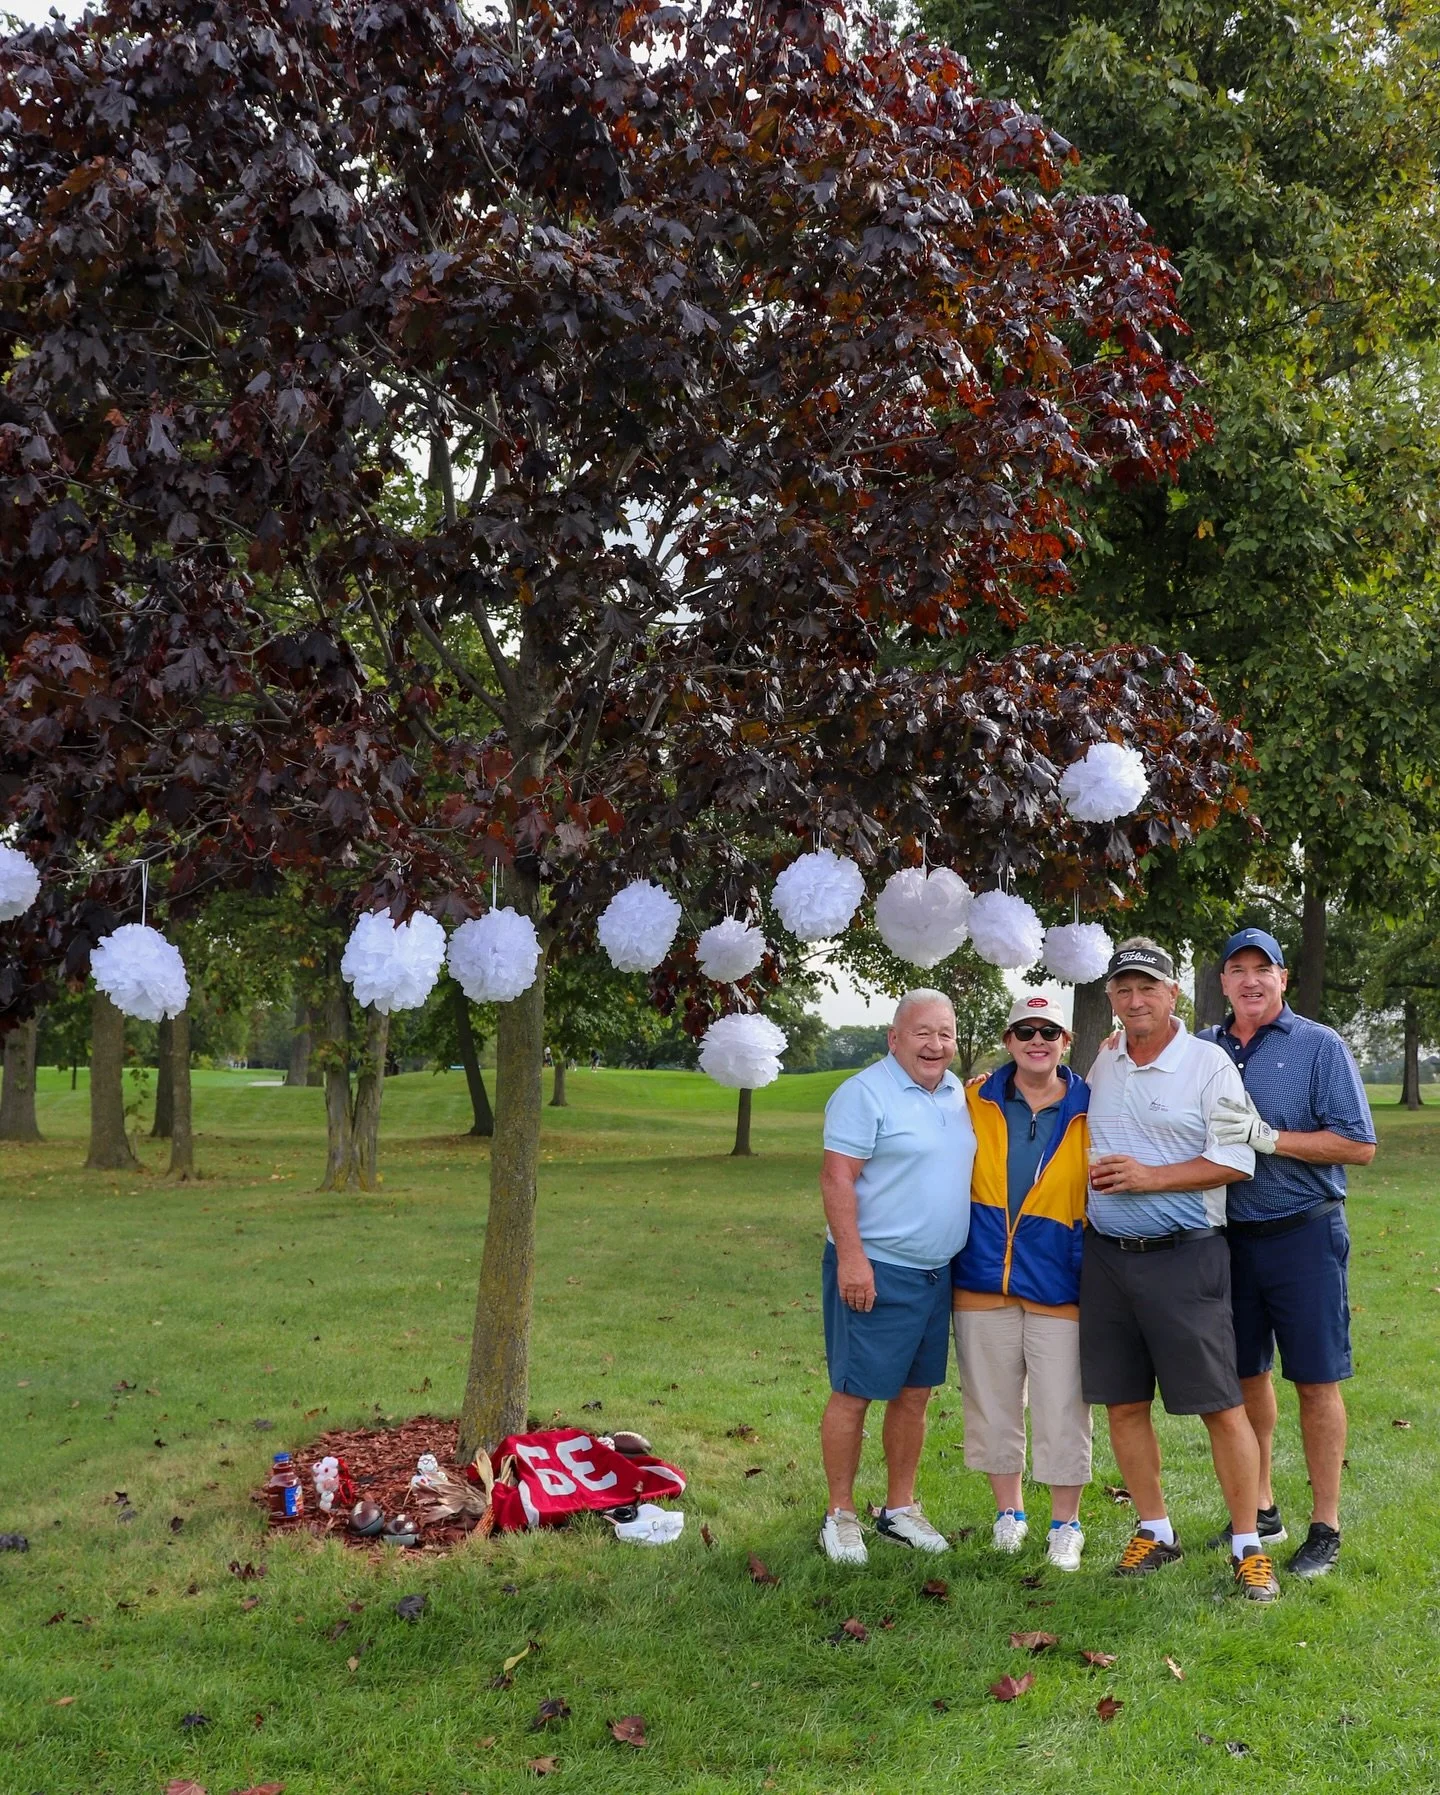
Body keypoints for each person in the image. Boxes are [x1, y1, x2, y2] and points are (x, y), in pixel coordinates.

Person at [1083, 938, 1279, 1601]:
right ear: (1111, 997)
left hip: (1184, 1254)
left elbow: (1237, 1159)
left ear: (1173, 994)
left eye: (1148, 987)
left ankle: (1249, 1543)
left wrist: (1149, 1179)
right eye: (1123, 988)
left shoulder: (1209, 1063)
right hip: (1107, 1259)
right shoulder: (1105, 1061)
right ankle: (1156, 1527)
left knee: (1221, 1406)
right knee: (1124, 1402)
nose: (1135, 999)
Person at [1200, 927, 1377, 1578]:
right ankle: (1263, 1505)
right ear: (1222, 982)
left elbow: (1357, 1145)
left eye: (1262, 968)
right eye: (1236, 968)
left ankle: (1325, 1523)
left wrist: (1270, 1137)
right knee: (1246, 1376)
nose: (1249, 979)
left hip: (1305, 1231)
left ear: (1282, 979)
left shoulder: (1318, 1045)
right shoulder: (1204, 1047)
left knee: (1315, 1379)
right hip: (1230, 1237)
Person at [817, 989, 976, 1564]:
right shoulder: (865, 1094)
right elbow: (837, 1179)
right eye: (922, 1033)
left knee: (914, 1395)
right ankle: (840, 1514)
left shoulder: (959, 1092)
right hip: (877, 1268)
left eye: (945, 1034)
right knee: (855, 1393)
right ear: (894, 1037)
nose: (935, 1045)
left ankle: (899, 1508)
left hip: (936, 1274)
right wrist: (854, 1260)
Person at [951, 993, 1092, 1570]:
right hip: (982, 1275)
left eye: (1049, 1032)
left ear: (1066, 1042)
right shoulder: (970, 1099)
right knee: (991, 1404)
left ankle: (1066, 1524)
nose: (1038, 1041)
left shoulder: (1094, 1104)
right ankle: (1009, 1514)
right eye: (1026, 1031)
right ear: (1009, 1041)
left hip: (1060, 1278)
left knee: (1063, 1405)